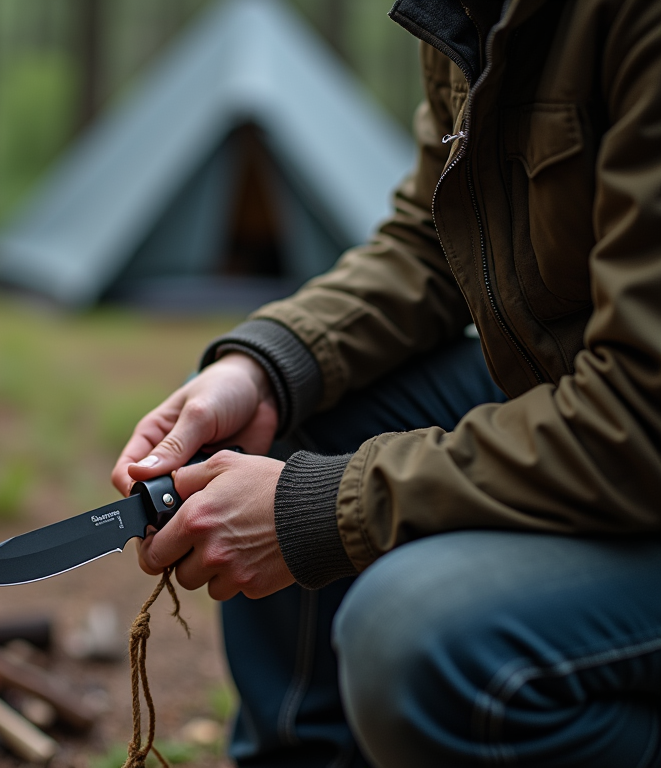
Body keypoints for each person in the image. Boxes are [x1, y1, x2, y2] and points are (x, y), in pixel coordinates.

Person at [111, 0, 661, 766]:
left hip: (632, 428)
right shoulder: (469, 16)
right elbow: (432, 240)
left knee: (414, 635)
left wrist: (324, 509)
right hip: (583, 407)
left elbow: (639, 413)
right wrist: (265, 365)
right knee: (279, 415)